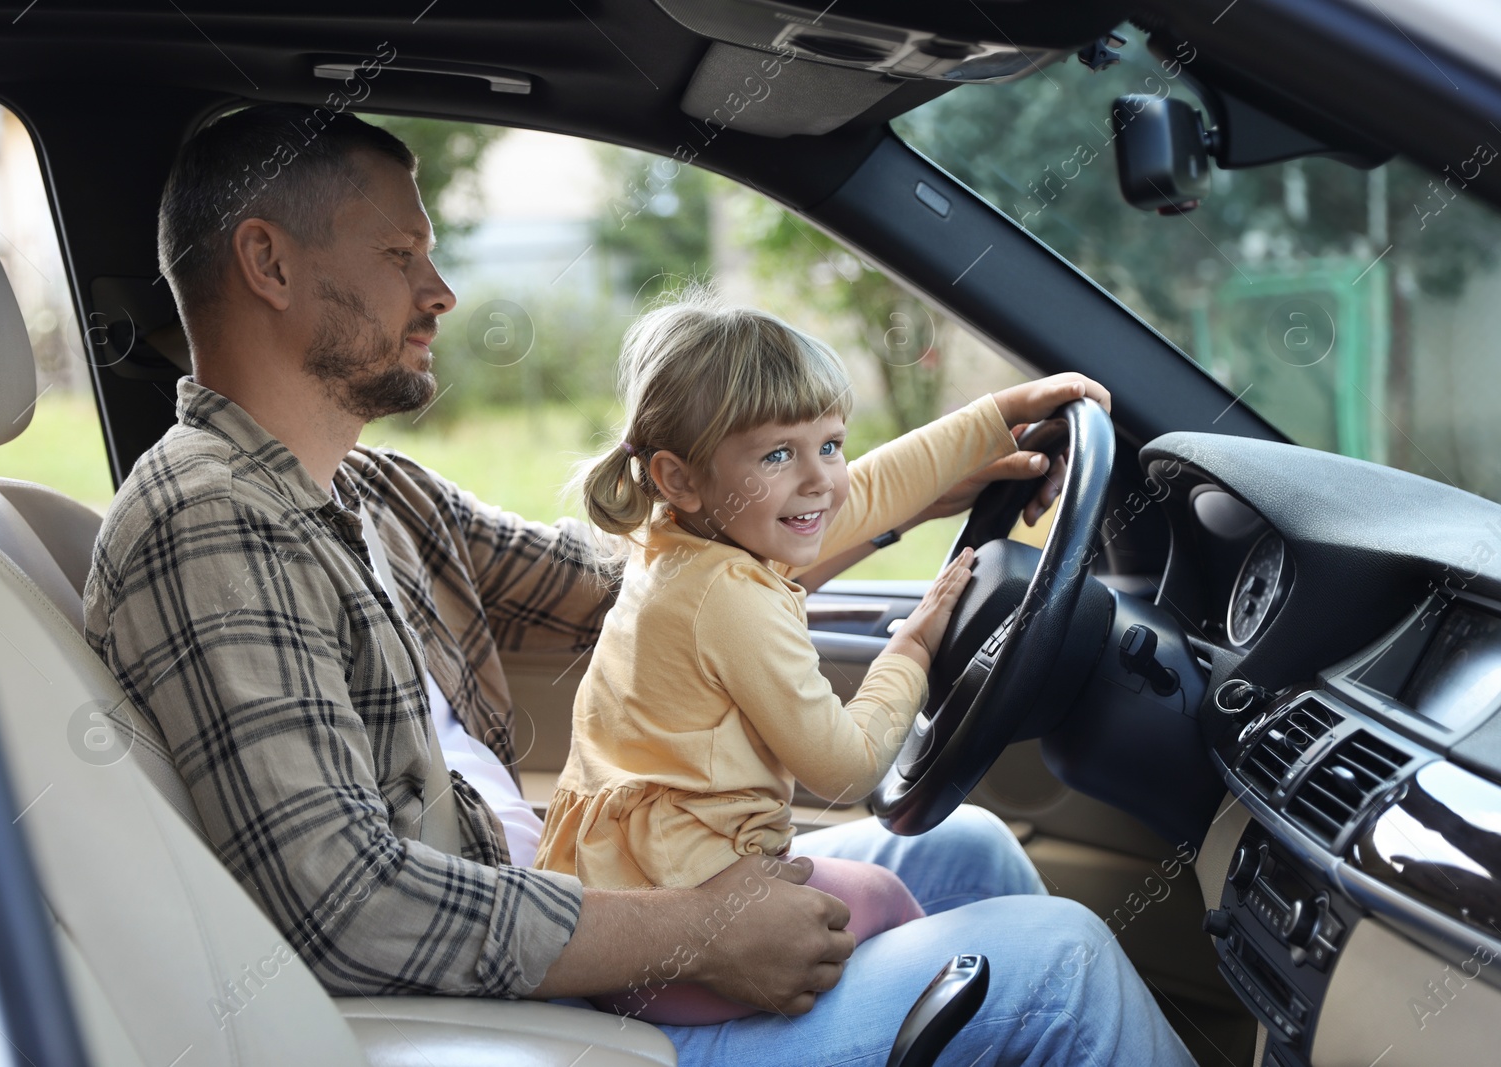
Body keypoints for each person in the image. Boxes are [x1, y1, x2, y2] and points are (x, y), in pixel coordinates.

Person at [84, 102, 1196, 1066]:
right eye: (400, 256)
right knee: (1063, 965)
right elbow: (347, 902)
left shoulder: (374, 494)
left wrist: (940, 465)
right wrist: (695, 931)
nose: (444, 290)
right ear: (269, 264)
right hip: (501, 1011)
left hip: (571, 894)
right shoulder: (206, 522)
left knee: (971, 850)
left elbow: (662, 575)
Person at [533, 294, 1102, 1026]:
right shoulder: (731, 596)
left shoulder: (680, 542)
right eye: (778, 454)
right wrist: (912, 649)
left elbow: (859, 492)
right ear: (681, 477)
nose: (821, 479)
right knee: (884, 900)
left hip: (630, 890)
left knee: (964, 853)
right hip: (681, 939)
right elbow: (847, 765)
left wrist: (994, 416)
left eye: (830, 443)